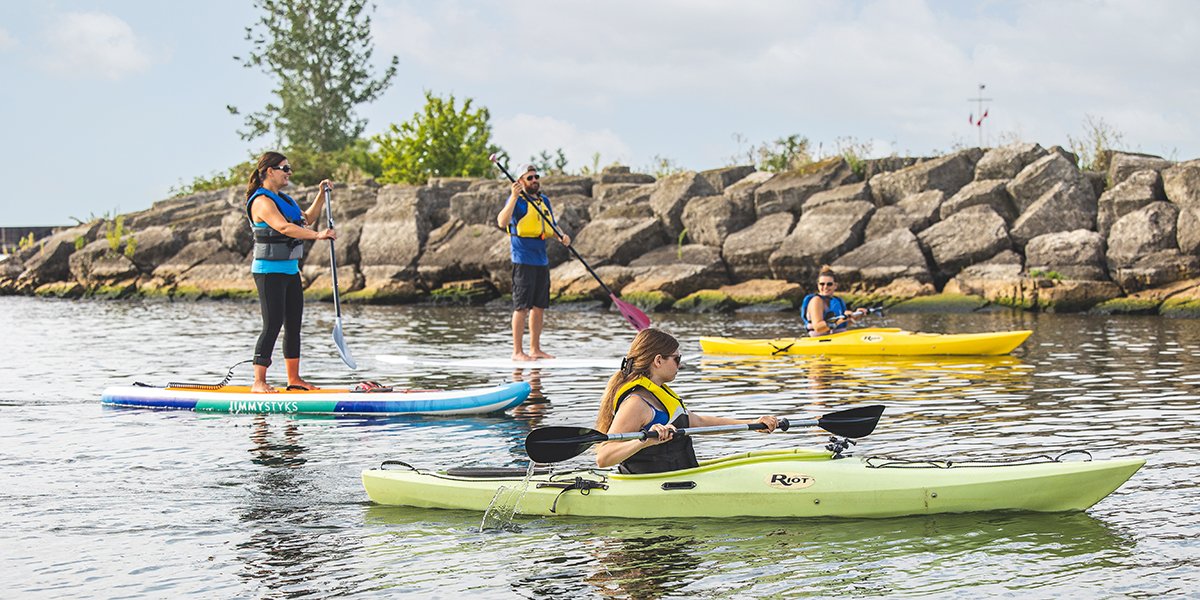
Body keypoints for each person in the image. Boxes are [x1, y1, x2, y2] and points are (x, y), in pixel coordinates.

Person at [594, 328, 779, 474]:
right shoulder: (636, 403)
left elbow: (700, 422)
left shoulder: (660, 395)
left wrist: (752, 423)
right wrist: (646, 440)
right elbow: (603, 457)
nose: (680, 364)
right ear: (658, 360)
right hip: (651, 487)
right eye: (677, 359)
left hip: (678, 479)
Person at [244, 151, 337, 393]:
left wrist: (321, 195)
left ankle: (294, 380)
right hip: (268, 272)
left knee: (293, 325)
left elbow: (307, 219)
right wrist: (318, 236)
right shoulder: (261, 201)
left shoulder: (284, 200)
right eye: (285, 168)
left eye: (289, 168)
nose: (289, 173)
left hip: (290, 270)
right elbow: (284, 228)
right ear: (270, 171)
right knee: (272, 324)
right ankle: (258, 382)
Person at [496, 165, 571, 361]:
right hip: (522, 260)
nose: (534, 180)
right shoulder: (517, 201)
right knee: (521, 307)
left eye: (536, 176)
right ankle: (517, 352)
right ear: (521, 181)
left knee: (539, 306)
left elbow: (550, 225)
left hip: (541, 260)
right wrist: (513, 196)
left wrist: (561, 236)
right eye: (529, 178)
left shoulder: (543, 200)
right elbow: (502, 222)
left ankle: (535, 349)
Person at [801, 265, 866, 337]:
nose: (825, 287)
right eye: (822, 284)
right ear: (818, 285)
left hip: (837, 337)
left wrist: (855, 316)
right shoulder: (816, 301)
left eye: (829, 284)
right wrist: (840, 319)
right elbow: (818, 328)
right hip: (820, 340)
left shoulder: (838, 301)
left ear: (835, 285)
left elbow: (841, 324)